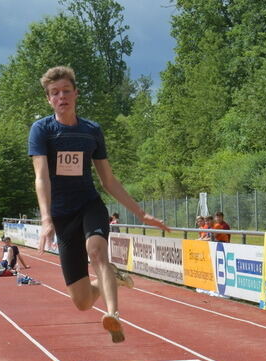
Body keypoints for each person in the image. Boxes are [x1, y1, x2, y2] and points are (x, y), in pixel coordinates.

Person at [29, 66, 170, 343]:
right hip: (61, 215)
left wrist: (141, 213)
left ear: (76, 93)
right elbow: (41, 177)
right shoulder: (42, 130)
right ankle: (111, 280)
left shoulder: (91, 130)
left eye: (66, 91)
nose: (61, 97)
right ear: (48, 99)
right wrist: (46, 219)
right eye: (55, 93)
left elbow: (108, 180)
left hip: (89, 205)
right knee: (81, 302)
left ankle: (113, 316)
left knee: (97, 252)